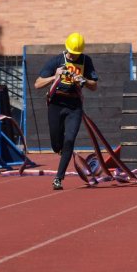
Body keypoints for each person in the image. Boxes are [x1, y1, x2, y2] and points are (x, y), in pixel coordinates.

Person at [34, 33, 98, 190]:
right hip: (56, 104)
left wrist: (84, 80)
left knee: (69, 139)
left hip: (74, 106)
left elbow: (94, 85)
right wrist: (54, 76)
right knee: (56, 145)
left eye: (77, 53)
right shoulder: (57, 60)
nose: (75, 56)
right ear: (67, 48)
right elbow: (37, 84)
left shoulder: (86, 61)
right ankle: (62, 150)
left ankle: (58, 178)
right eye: (72, 53)